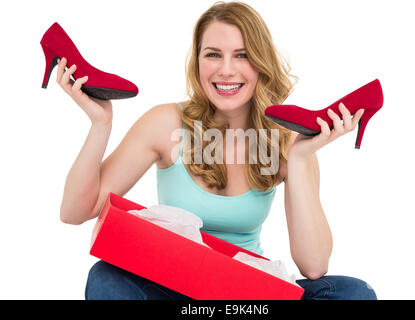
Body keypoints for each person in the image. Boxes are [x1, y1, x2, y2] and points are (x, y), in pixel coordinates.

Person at [57, 1, 376, 300]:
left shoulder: (288, 141)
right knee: (106, 277)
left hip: (248, 296)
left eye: (242, 55)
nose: (226, 70)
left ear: (261, 64)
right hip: (173, 290)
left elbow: (314, 266)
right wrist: (101, 124)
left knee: (353, 293)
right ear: (197, 62)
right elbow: (75, 213)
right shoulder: (166, 123)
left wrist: (300, 158)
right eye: (213, 54)